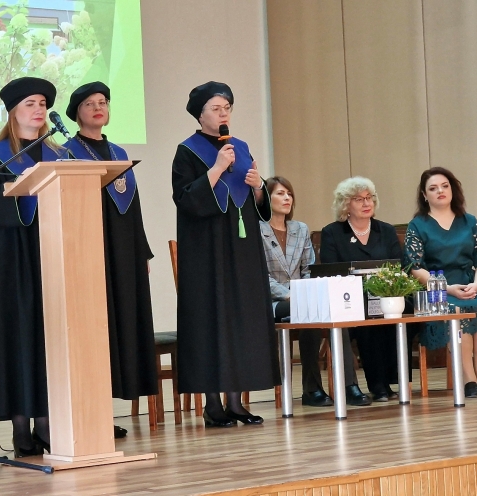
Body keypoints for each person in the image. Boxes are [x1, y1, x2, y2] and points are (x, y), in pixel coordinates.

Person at [172, 81, 280, 428]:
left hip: (242, 248)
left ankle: (236, 402)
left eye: (227, 108)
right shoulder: (187, 152)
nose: (223, 114)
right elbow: (186, 200)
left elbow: (259, 205)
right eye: (216, 108)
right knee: (211, 320)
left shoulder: (241, 147)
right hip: (206, 251)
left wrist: (259, 187)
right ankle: (213, 404)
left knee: (240, 320)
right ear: (200, 114)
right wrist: (217, 168)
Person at [0, 77, 63, 457]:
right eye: (30, 103)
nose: (39, 110)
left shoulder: (59, 156)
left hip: (53, 258)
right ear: (13, 112)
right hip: (13, 262)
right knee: (19, 339)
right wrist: (20, 190)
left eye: (42, 103)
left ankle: (48, 424)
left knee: (50, 339)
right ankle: (22, 427)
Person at [64, 82, 157, 437]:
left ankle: (106, 411)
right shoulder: (67, 152)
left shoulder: (119, 152)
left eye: (102, 102)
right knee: (93, 328)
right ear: (77, 112)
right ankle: (91, 411)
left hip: (123, 254)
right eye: (89, 103)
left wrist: (141, 252)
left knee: (120, 327)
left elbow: (133, 209)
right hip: (90, 250)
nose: (98, 107)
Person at [260, 176, 369, 407]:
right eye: (280, 193)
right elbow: (259, 275)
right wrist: (291, 294)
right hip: (270, 301)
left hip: (301, 297)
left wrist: (306, 292)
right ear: (265, 198)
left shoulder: (300, 229)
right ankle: (311, 388)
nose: (287, 198)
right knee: (307, 309)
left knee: (333, 309)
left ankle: (349, 385)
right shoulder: (256, 230)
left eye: (289, 193)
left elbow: (309, 269)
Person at [403, 167, 477, 398]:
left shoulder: (469, 221)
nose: (440, 191)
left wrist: (476, 285)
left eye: (445, 186)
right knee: (456, 311)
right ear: (424, 195)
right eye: (433, 188)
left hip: (468, 285)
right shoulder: (417, 225)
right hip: (437, 291)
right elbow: (415, 268)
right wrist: (446, 288)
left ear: (453, 189)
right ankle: (468, 379)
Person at [320, 177, 399, 402]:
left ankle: (390, 380)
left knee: (392, 311)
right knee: (367, 315)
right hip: (348, 299)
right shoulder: (333, 233)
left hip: (384, 294)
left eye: (369, 198)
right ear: (346, 204)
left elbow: (398, 266)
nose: (366, 203)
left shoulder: (386, 230)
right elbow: (331, 269)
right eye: (358, 199)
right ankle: (377, 385)